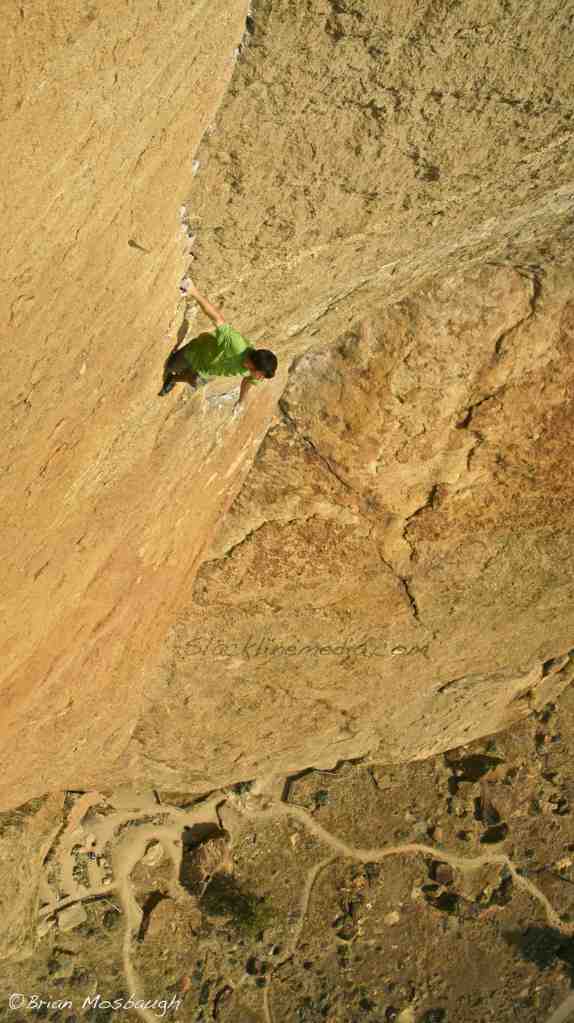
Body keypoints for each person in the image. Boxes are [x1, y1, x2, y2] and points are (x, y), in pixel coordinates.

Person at [159, 280, 277, 411]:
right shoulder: (237, 345)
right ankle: (178, 371)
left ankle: (173, 379)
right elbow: (218, 319)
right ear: (253, 364)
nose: (260, 378)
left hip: (207, 371)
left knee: (195, 382)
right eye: (261, 375)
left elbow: (248, 381)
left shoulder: (255, 372)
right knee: (169, 367)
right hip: (195, 353)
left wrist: (241, 401)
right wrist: (193, 291)